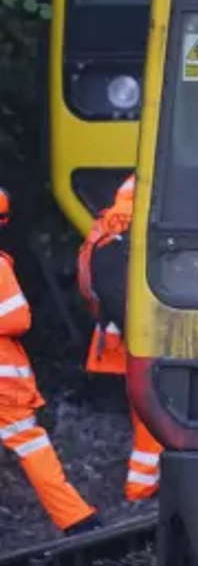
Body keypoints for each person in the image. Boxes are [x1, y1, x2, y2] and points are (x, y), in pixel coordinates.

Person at [0, 187, 101, 535]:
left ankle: (75, 518)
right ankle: (75, 519)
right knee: (32, 445)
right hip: (4, 384)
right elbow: (18, 318)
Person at [76, 174, 163, 501]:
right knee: (155, 407)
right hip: (142, 336)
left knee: (145, 408)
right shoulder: (129, 235)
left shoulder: (107, 228)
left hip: (123, 335)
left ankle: (142, 485)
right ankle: (142, 487)